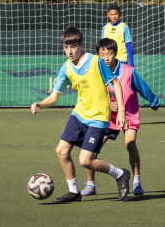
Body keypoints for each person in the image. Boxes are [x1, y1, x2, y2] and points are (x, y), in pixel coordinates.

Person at [31, 26, 131, 203]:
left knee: (85, 160)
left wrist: (122, 110)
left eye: (73, 46)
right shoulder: (66, 68)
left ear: (81, 45)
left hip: (98, 118)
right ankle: (74, 191)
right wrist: (40, 104)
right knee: (61, 151)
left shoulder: (95, 61)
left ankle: (120, 174)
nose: (69, 51)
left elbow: (115, 82)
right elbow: (54, 97)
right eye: (66, 47)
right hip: (78, 115)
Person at [80, 38, 160, 197]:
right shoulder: (96, 71)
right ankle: (90, 185)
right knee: (91, 152)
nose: (106, 58)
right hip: (106, 118)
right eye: (102, 54)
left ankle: (136, 181)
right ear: (98, 55)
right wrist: (109, 105)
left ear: (116, 54)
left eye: (109, 54)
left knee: (130, 144)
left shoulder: (129, 71)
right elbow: (92, 95)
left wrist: (153, 100)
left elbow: (142, 88)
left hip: (128, 115)